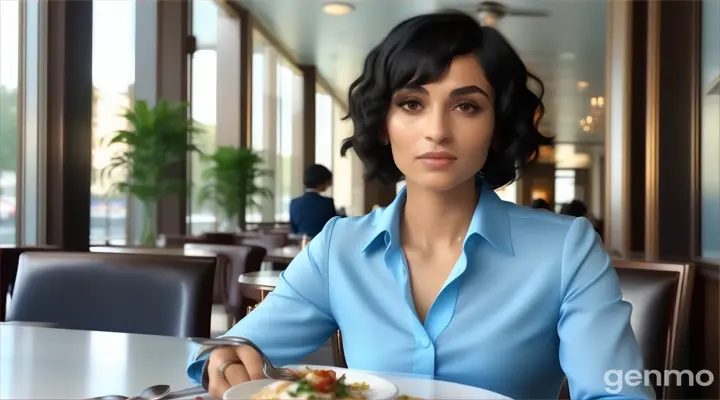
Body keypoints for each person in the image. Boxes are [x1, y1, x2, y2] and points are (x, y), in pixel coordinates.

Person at [188, 11, 651, 399]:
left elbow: (617, 393)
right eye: (412, 104)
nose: (437, 130)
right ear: (385, 122)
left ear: (497, 125)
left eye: (466, 106)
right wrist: (223, 357)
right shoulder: (339, 248)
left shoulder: (567, 249)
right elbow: (234, 346)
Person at [289, 164, 338, 237]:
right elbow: (333, 228)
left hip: (302, 245)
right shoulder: (327, 203)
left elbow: (293, 231)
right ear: (321, 182)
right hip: (323, 245)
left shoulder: (294, 203)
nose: (329, 185)